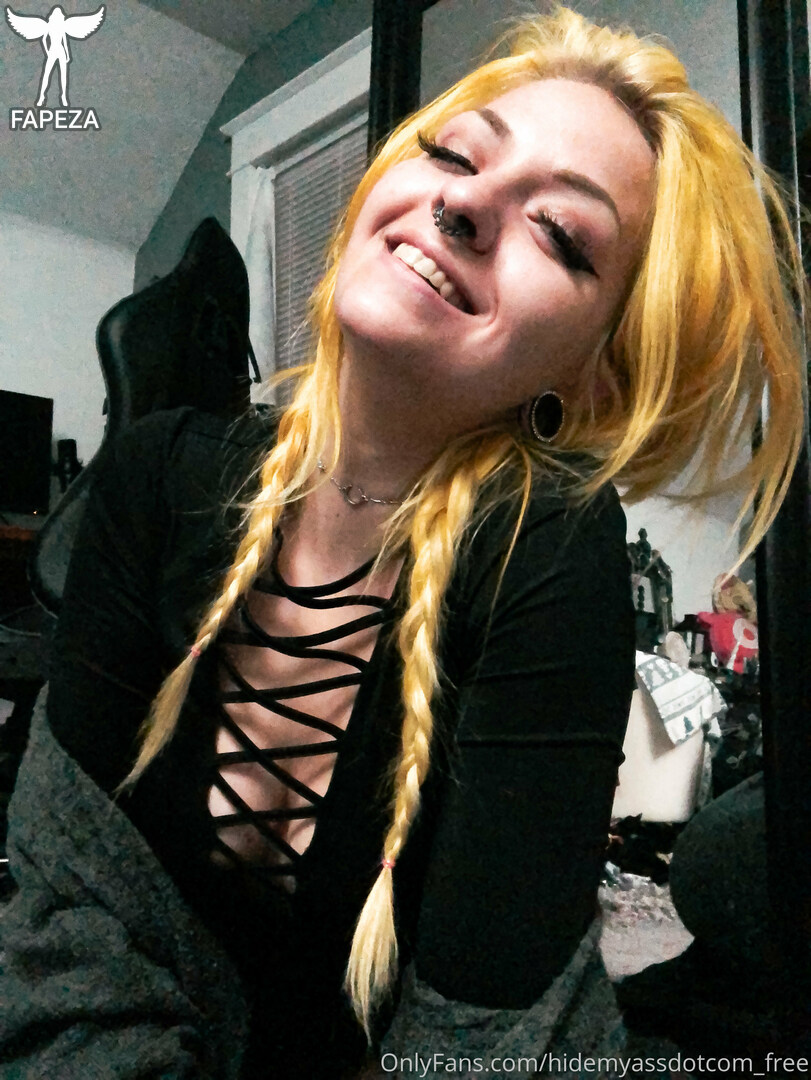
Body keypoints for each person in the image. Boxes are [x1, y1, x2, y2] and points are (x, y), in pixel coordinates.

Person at [0, 7, 806, 1079]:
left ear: (594, 373)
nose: (462, 203)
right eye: (454, 153)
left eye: (560, 234)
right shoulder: (153, 475)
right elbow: (62, 923)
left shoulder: (546, 554)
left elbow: (475, 1045)